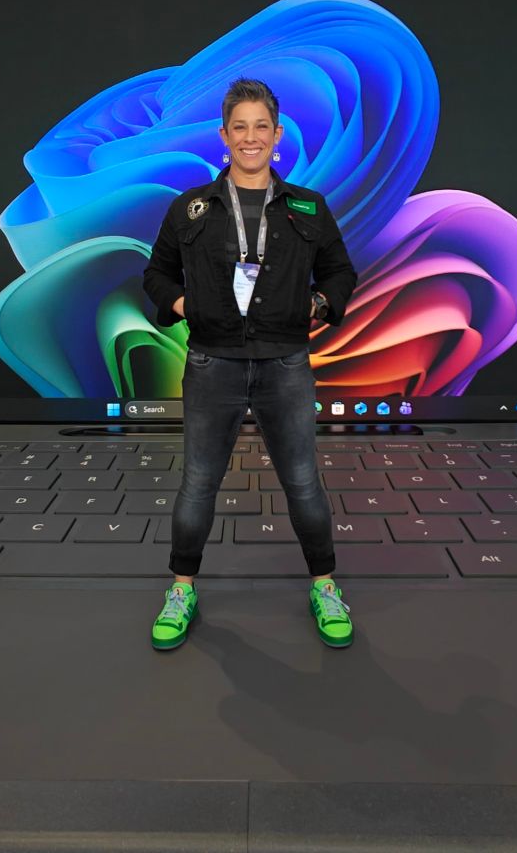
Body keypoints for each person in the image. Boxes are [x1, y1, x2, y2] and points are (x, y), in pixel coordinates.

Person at [142, 77, 358, 651]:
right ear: (224, 136)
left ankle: (325, 585)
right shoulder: (190, 208)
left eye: (261, 126)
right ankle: (182, 589)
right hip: (212, 364)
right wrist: (184, 305)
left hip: (285, 364)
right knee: (198, 483)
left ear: (278, 134)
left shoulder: (308, 207)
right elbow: (156, 274)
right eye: (239, 127)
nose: (251, 137)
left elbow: (340, 272)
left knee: (303, 482)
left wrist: (316, 305)